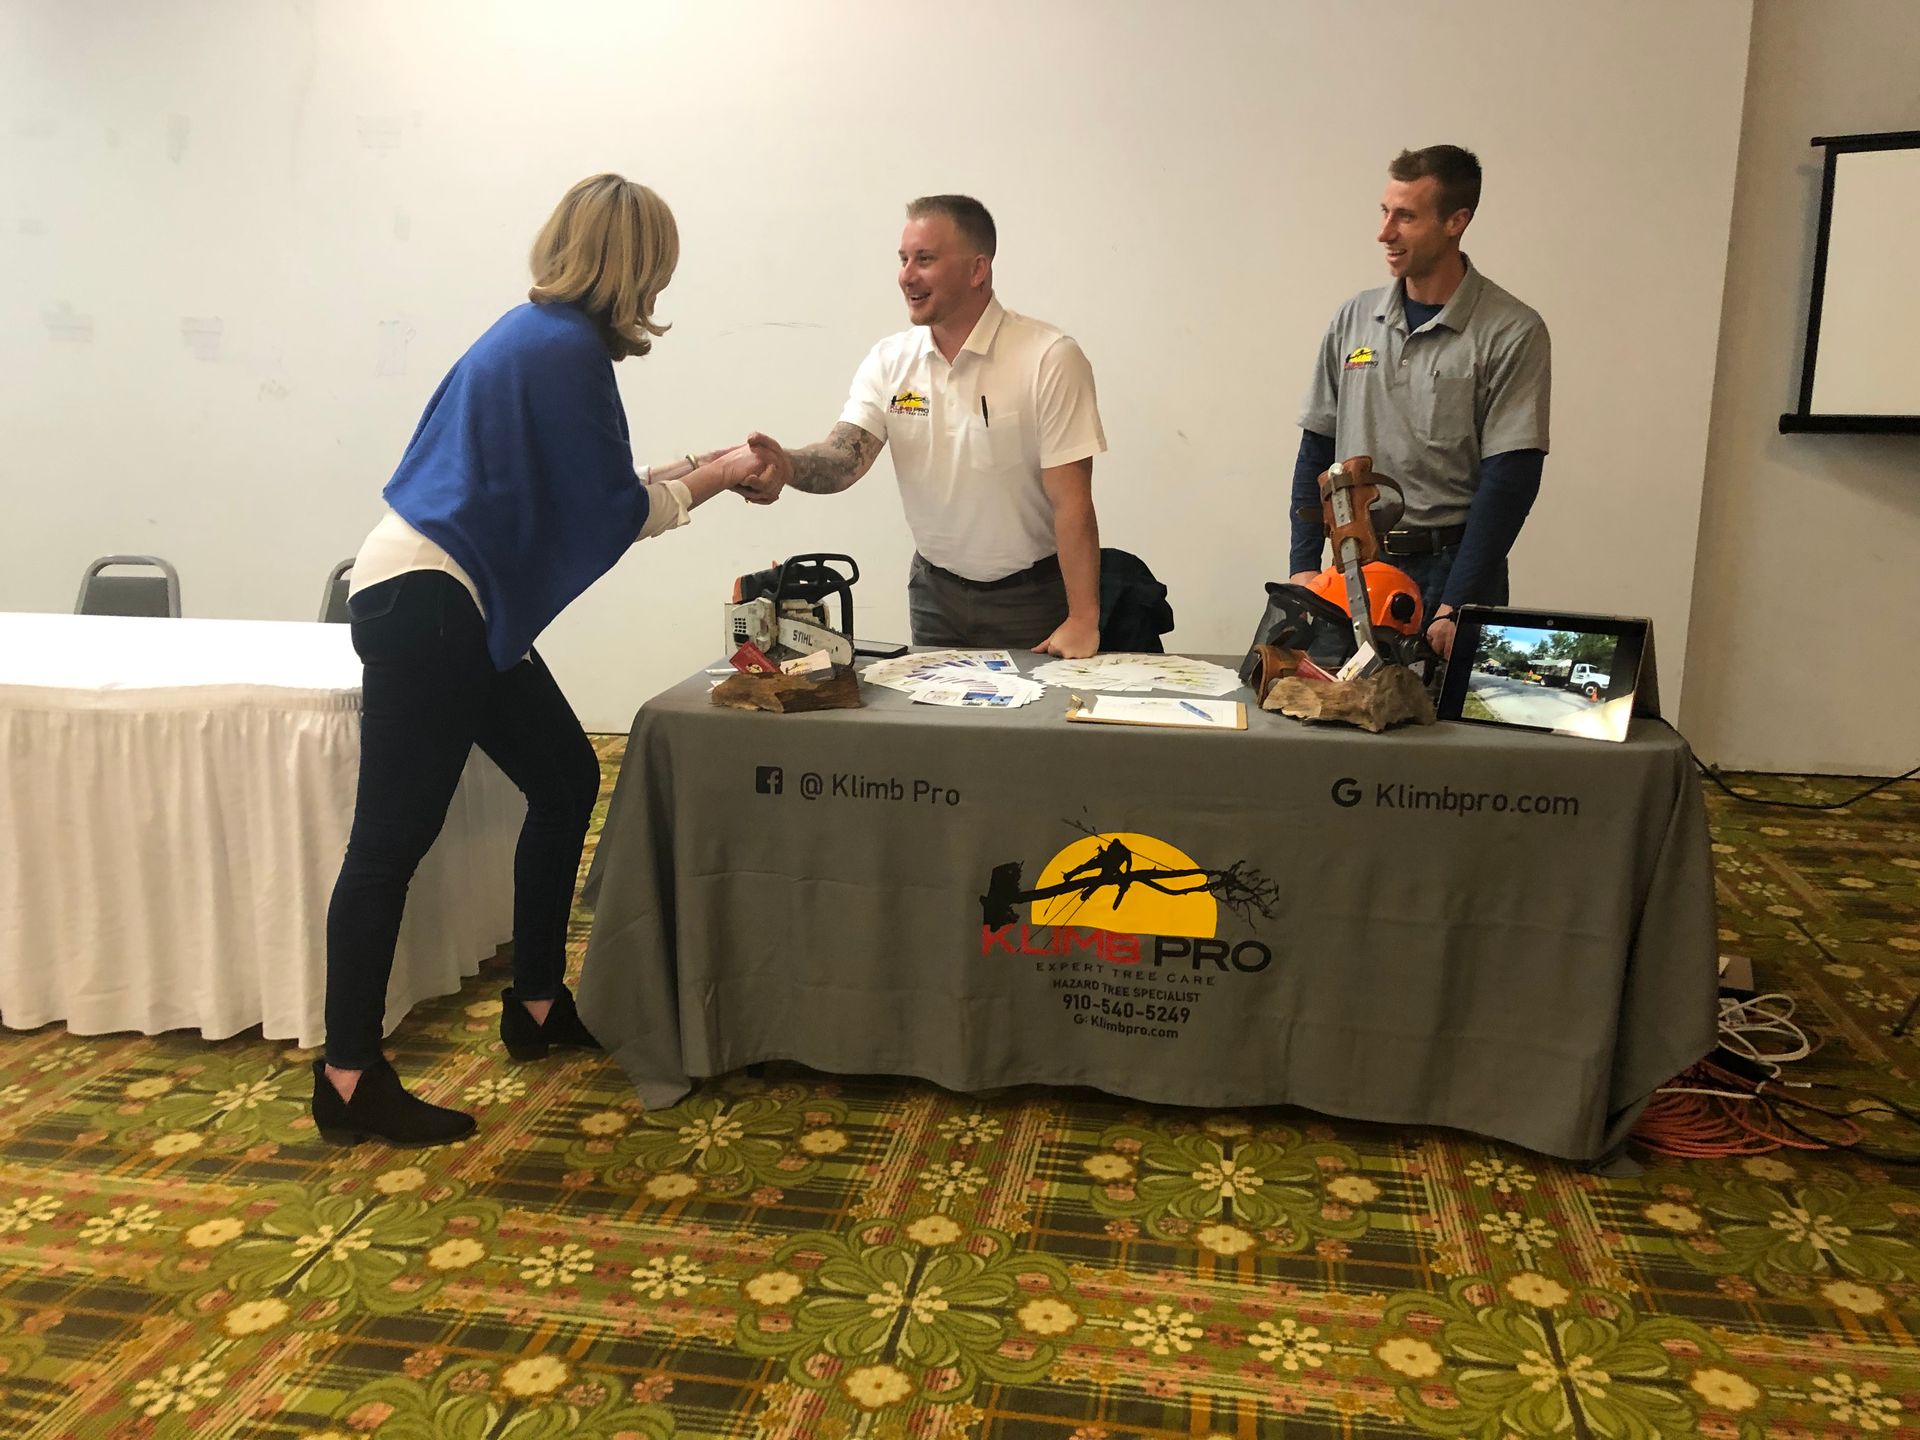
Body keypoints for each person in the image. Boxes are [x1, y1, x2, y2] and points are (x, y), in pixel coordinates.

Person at [315, 173, 783, 1147]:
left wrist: (694, 469)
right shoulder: (567, 352)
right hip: (429, 601)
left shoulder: (529, 337)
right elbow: (611, 513)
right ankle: (349, 1077)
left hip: (444, 595)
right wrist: (725, 477)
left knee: (567, 776)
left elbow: (595, 485)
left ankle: (535, 1006)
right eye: (660, 269)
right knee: (388, 843)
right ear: (639, 266)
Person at [734, 195, 1107, 658]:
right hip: (935, 597)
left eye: (925, 259)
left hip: (1030, 600)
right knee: (937, 729)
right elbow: (844, 458)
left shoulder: (1048, 357)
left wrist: (1083, 618)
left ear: (977, 270)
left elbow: (1072, 502)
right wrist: (785, 465)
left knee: (1026, 731)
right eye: (903, 259)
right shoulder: (891, 361)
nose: (906, 275)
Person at [1287, 145, 1550, 660]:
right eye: (1385, 212)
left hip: (1451, 569)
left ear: (1456, 221)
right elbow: (1316, 450)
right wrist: (1303, 569)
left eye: (1405, 216)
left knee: (1444, 733)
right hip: (1354, 565)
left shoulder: (1512, 330)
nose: (1385, 232)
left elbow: (1512, 477)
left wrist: (1458, 602)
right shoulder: (1354, 320)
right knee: (1333, 723)